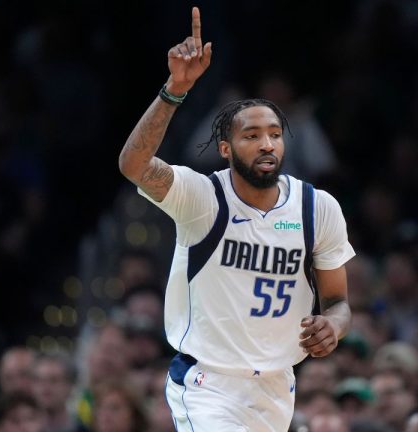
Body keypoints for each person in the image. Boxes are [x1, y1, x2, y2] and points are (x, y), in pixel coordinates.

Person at [117, 7, 355, 431]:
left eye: (275, 134)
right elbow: (134, 164)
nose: (266, 144)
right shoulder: (202, 197)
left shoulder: (317, 208)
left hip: (278, 386)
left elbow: (337, 302)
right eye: (251, 135)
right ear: (225, 149)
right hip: (209, 384)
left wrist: (333, 327)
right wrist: (175, 89)